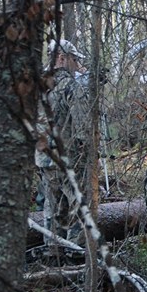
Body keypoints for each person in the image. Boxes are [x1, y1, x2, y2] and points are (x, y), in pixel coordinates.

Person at [36, 39, 91, 256]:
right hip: (66, 156)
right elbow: (82, 125)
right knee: (77, 202)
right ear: (61, 57)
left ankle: (52, 250)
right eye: (74, 59)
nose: (76, 64)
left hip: (43, 157)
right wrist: (87, 150)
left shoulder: (38, 85)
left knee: (53, 203)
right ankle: (75, 253)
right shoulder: (70, 86)